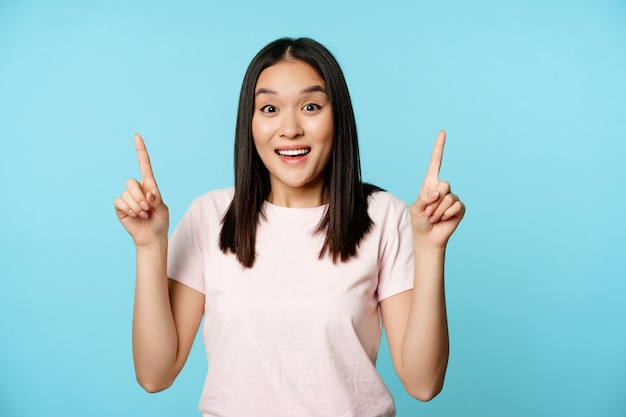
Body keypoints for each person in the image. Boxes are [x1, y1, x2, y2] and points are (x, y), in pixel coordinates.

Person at [114, 37, 465, 417]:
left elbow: (423, 382)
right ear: (249, 123)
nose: (290, 128)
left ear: (339, 117)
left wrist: (431, 249)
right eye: (269, 108)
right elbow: (155, 374)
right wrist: (150, 248)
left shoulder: (384, 217)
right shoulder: (208, 217)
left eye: (311, 106)